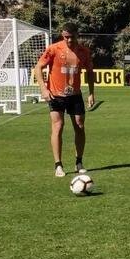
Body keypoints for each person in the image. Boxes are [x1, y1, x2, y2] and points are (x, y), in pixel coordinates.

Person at [35, 23, 95, 177]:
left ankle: (79, 162)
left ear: (77, 35)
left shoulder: (84, 52)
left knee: (80, 126)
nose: (69, 40)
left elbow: (90, 72)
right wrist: (43, 89)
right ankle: (58, 165)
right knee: (58, 126)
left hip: (75, 95)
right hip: (56, 95)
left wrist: (91, 93)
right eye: (66, 37)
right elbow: (38, 67)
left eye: (71, 37)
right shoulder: (54, 49)